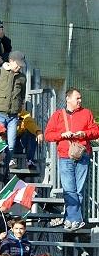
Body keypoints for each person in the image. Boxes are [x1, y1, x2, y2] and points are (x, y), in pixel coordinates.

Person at [44, 88, 99, 231]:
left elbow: (96, 131)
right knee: (69, 189)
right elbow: (48, 135)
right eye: (77, 98)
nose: (80, 101)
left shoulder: (86, 113)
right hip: (65, 155)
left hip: (82, 154)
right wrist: (62, 134)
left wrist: (84, 134)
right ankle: (75, 219)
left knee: (78, 190)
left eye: (80, 98)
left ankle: (70, 219)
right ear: (68, 99)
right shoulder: (58, 115)